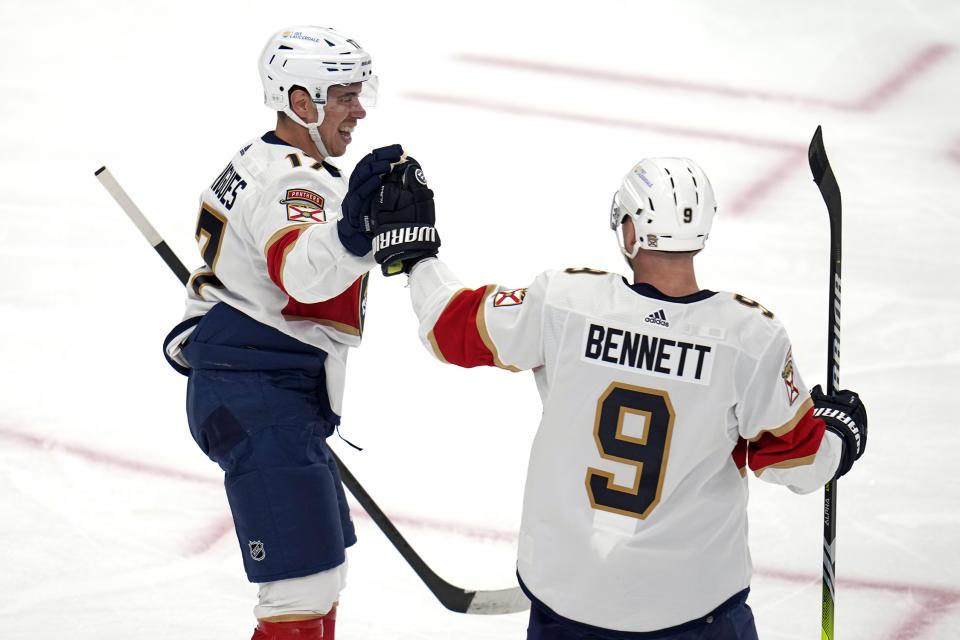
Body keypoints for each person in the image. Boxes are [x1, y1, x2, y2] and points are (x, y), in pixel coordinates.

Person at [359, 154, 867, 639]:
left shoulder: (566, 303)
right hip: (693, 610)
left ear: (630, 230)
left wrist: (419, 258)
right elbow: (801, 465)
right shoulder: (748, 337)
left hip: (569, 607)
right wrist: (839, 434)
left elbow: (451, 329)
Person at [161, 27, 404, 640]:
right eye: (345, 96)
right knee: (299, 587)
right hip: (258, 395)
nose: (359, 110)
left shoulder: (259, 158)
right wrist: (352, 234)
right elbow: (302, 273)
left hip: (270, 388)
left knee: (322, 578)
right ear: (302, 103)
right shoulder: (297, 183)